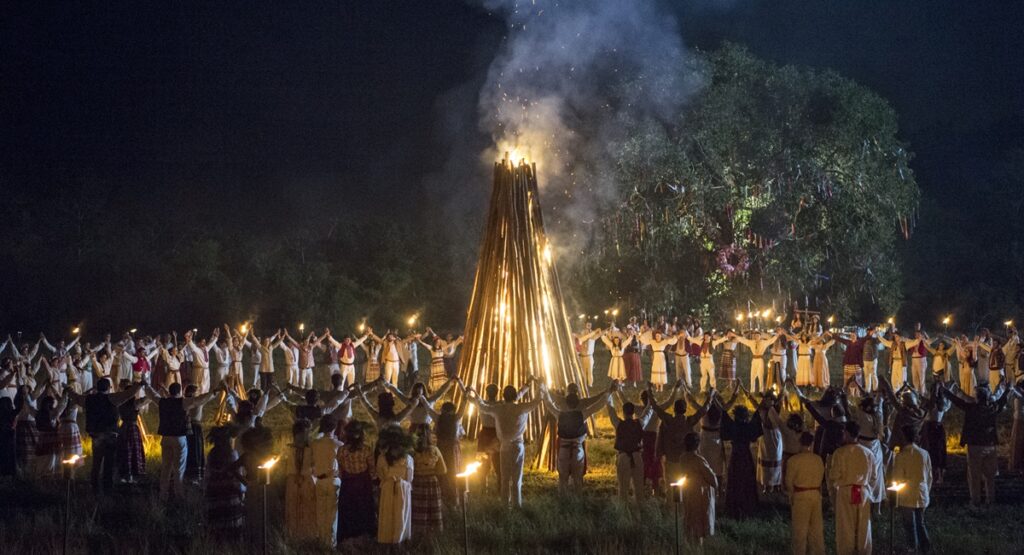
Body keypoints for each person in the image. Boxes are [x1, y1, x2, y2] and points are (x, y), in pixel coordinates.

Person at [467, 381, 541, 507]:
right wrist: (539, 387)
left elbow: (483, 406)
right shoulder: (521, 408)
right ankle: (517, 505)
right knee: (516, 477)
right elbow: (536, 401)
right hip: (518, 446)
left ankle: (505, 505)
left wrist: (475, 393)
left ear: (503, 395)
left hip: (504, 446)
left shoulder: (498, 409)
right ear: (514, 396)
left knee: (505, 477)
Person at [64, 378, 143, 492]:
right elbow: (128, 394)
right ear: (108, 387)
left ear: (97, 387)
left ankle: (94, 487)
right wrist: (139, 385)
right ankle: (107, 488)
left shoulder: (88, 399)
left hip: (96, 436)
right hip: (110, 435)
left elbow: (76, 397)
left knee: (96, 463)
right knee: (109, 463)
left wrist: (68, 389)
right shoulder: (112, 398)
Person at [144, 381, 217, 500]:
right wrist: (213, 393)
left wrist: (146, 386)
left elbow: (152, 395)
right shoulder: (183, 402)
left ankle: (163, 494)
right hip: (179, 438)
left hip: (166, 438)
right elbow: (199, 400)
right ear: (179, 392)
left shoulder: (162, 402)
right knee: (179, 468)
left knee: (166, 467)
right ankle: (179, 495)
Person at [944, 382, 1008, 506]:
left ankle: (975, 501)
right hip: (990, 445)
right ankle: (991, 500)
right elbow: (1002, 401)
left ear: (977, 397)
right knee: (990, 476)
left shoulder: (971, 408)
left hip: (975, 446)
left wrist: (944, 391)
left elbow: (957, 401)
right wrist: (1007, 390)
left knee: (974, 476)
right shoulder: (992, 408)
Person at [827, 421, 876, 555]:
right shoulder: (868, 452)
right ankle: (864, 551)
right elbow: (874, 476)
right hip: (863, 491)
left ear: (847, 433)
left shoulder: (840, 453)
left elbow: (834, 474)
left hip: (845, 490)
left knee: (845, 525)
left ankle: (846, 551)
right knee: (864, 525)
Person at [891, 425, 932, 553]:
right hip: (922, 492)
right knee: (921, 522)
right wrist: (927, 490)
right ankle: (925, 547)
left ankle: (912, 547)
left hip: (907, 495)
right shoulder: (924, 454)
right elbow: (929, 475)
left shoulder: (901, 456)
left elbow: (897, 478)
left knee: (909, 525)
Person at [607, 386, 652, 501]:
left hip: (623, 457)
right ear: (633, 412)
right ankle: (640, 513)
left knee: (623, 491)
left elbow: (611, 410)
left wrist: (610, 393)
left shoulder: (618, 423)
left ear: (623, 412)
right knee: (639, 491)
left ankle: (625, 514)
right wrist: (650, 393)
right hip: (637, 457)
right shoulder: (640, 423)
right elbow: (648, 410)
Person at [785, 432, 825, 555]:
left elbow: (789, 481)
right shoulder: (818, 460)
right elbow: (821, 477)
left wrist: (791, 495)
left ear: (800, 442)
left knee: (800, 530)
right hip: (816, 495)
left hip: (801, 497)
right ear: (812, 443)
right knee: (817, 529)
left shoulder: (793, 460)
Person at [337, 420, 377, 542]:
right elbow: (372, 469)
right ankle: (365, 533)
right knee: (364, 508)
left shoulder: (342, 450)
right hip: (363, 483)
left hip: (348, 483)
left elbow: (340, 468)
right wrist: (374, 481)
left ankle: (349, 533)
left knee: (349, 509)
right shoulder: (366, 449)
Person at [722, 402, 763, 518]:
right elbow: (756, 425)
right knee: (747, 480)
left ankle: (734, 506)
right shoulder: (747, 427)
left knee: (735, 480)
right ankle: (748, 505)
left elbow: (724, 417)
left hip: (735, 456)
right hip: (745, 455)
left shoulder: (733, 426)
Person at [205, 426, 245, 543]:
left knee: (217, 528)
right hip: (230, 495)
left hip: (215, 495)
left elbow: (207, 475)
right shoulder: (232, 454)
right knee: (232, 529)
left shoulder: (211, 454)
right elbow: (238, 475)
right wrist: (242, 491)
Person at [308, 415, 343, 547]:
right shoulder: (338, 445)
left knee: (321, 514)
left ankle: (322, 542)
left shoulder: (315, 444)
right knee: (333, 515)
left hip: (319, 481)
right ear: (334, 427)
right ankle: (331, 544)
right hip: (333, 481)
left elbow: (312, 462)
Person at [677, 432, 718, 544]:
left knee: (689, 518)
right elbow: (711, 477)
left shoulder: (683, 458)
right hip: (700, 494)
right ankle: (697, 548)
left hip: (687, 491)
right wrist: (716, 486)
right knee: (699, 520)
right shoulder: (698, 460)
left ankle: (689, 545)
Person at [376, 425, 414, 545]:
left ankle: (386, 539)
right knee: (401, 514)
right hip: (403, 488)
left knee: (387, 514)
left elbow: (380, 475)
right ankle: (400, 539)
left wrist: (388, 480)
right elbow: (410, 477)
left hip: (387, 487)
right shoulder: (408, 458)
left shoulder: (382, 458)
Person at [284, 419, 317, 542]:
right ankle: (297, 536)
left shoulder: (309, 449)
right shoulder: (291, 449)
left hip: (301, 481)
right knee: (296, 508)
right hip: (298, 481)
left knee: (304, 508)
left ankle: (305, 536)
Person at [411, 430, 447, 535]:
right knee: (432, 505)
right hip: (431, 481)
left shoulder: (411, 452)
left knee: (419, 506)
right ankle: (434, 531)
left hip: (417, 482)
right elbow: (443, 470)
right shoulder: (435, 450)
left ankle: (418, 530)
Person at [574, 322, 602, 387]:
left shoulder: (593, 334)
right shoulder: (582, 332)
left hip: (589, 356)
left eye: (590, 324)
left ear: (591, 325)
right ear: (585, 325)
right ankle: (584, 384)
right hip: (582, 356)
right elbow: (581, 338)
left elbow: (598, 335)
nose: (589, 325)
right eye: (587, 324)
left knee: (590, 371)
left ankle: (590, 384)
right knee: (583, 372)